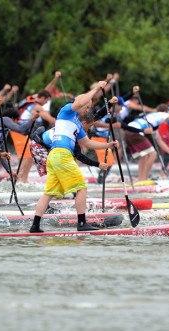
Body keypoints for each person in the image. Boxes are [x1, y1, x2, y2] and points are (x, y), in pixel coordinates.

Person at [29, 81, 118, 233]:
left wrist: (107, 146)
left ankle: (35, 226)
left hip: (55, 157)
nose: (88, 108)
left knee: (49, 193)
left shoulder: (77, 124)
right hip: (61, 155)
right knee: (81, 187)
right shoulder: (66, 111)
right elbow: (80, 101)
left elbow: (87, 143)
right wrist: (97, 88)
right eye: (87, 106)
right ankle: (82, 223)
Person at [124, 104, 169, 181]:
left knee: (144, 156)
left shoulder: (153, 120)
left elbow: (159, 141)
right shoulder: (161, 114)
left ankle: (140, 179)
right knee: (153, 154)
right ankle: (143, 179)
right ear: (166, 112)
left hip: (128, 132)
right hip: (135, 132)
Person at [10, 88, 56, 183]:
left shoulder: (29, 99)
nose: (46, 103)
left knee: (29, 156)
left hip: (22, 131)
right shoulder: (37, 106)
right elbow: (50, 119)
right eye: (46, 101)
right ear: (42, 98)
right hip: (18, 131)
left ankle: (24, 180)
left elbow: (45, 89)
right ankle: (18, 181)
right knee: (25, 156)